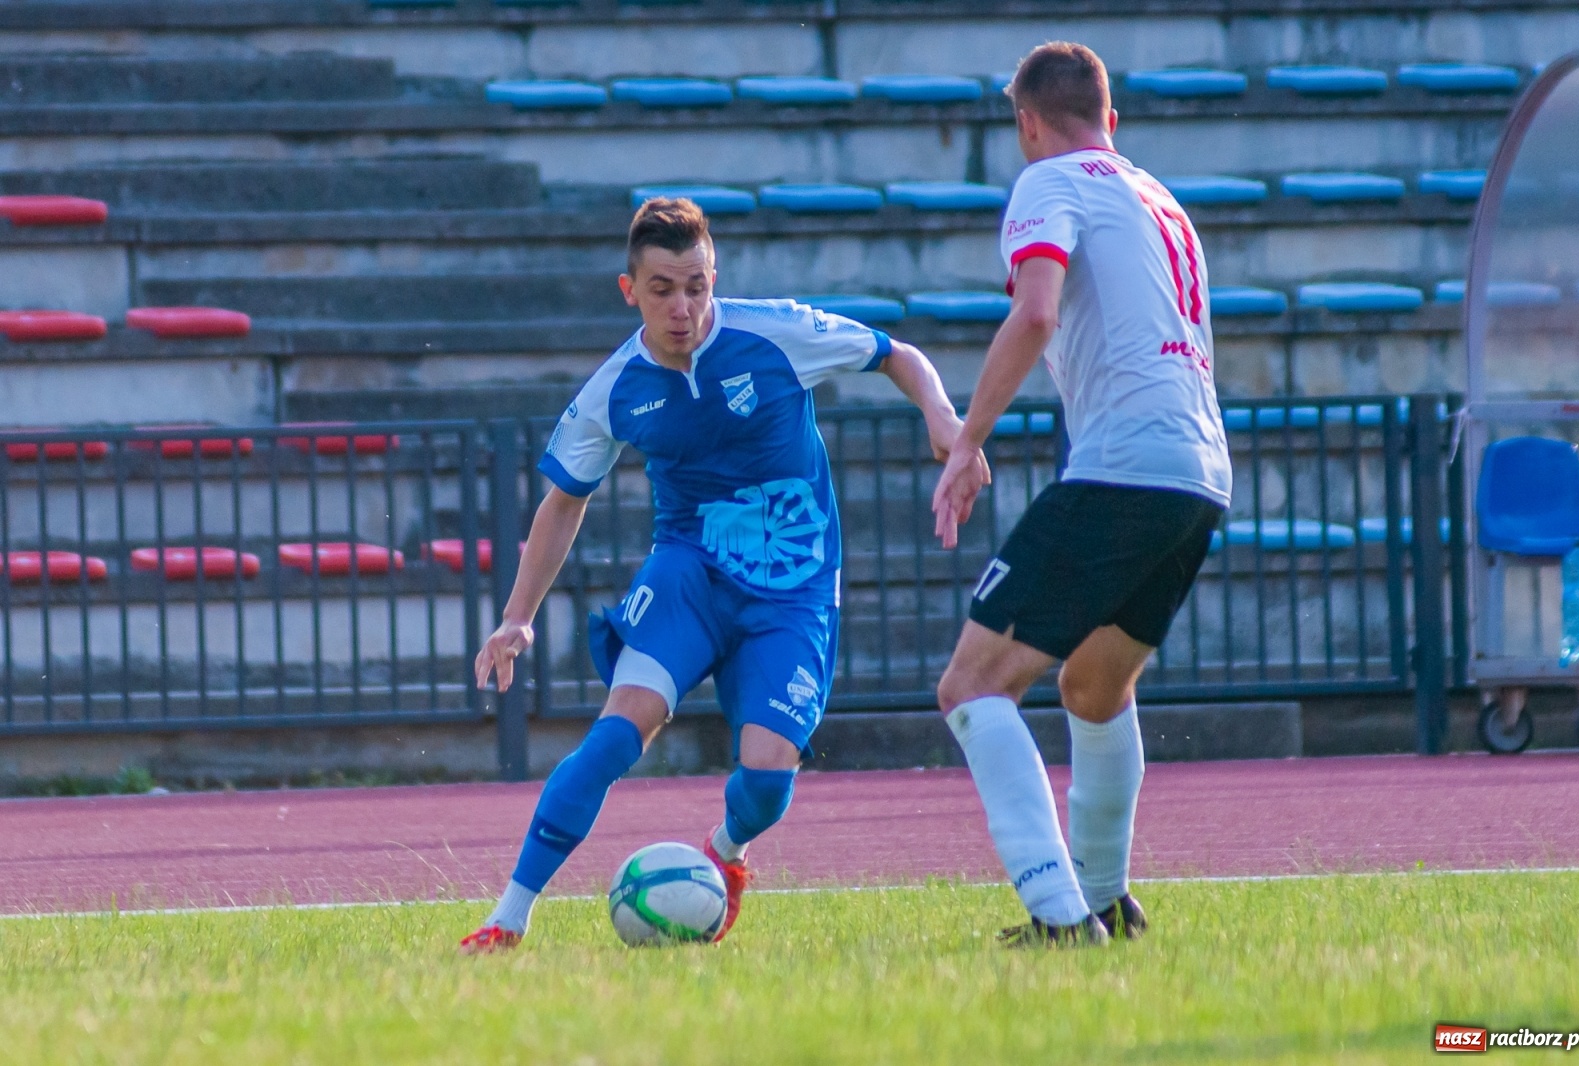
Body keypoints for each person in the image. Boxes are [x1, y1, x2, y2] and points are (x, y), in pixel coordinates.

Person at [461, 197, 971, 952]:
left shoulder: (774, 332)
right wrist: (517, 614)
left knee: (766, 781)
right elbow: (563, 502)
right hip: (690, 575)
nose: (684, 306)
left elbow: (896, 353)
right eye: (663, 288)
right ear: (628, 290)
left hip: (794, 585)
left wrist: (944, 418)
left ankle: (725, 853)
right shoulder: (615, 389)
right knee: (611, 739)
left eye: (697, 285)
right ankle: (509, 917)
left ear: (715, 278)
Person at [931, 41, 1233, 947]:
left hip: (1124, 466)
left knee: (971, 684)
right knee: (1095, 687)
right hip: (1200, 473)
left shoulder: (1048, 181)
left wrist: (967, 442)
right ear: (1112, 117)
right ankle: (1106, 900)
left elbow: (1035, 309)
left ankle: (1061, 918)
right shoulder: (1161, 198)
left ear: (1027, 124)